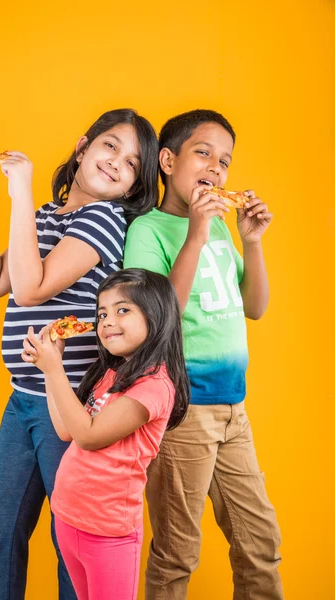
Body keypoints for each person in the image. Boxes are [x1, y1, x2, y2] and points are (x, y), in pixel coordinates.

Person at [0, 108, 159, 600]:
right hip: (22, 402)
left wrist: (21, 187)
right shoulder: (46, 218)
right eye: (110, 146)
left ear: (132, 187)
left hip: (67, 405)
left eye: (134, 164)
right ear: (82, 147)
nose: (118, 162)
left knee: (69, 538)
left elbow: (30, 290)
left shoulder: (104, 220)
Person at [124, 109, 283, 599]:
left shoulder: (219, 229)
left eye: (226, 161)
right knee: (177, 552)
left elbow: (254, 307)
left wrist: (251, 242)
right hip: (183, 412)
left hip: (234, 411)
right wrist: (194, 231)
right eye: (203, 153)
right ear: (168, 160)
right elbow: (155, 320)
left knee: (260, 543)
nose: (216, 167)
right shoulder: (148, 231)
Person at [21, 268, 190, 600]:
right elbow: (66, 430)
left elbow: (89, 436)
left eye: (122, 309)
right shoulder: (112, 374)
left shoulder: (155, 386)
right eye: (102, 313)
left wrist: (53, 369)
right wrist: (51, 367)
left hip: (109, 532)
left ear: (156, 316)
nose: (107, 321)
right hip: (69, 518)